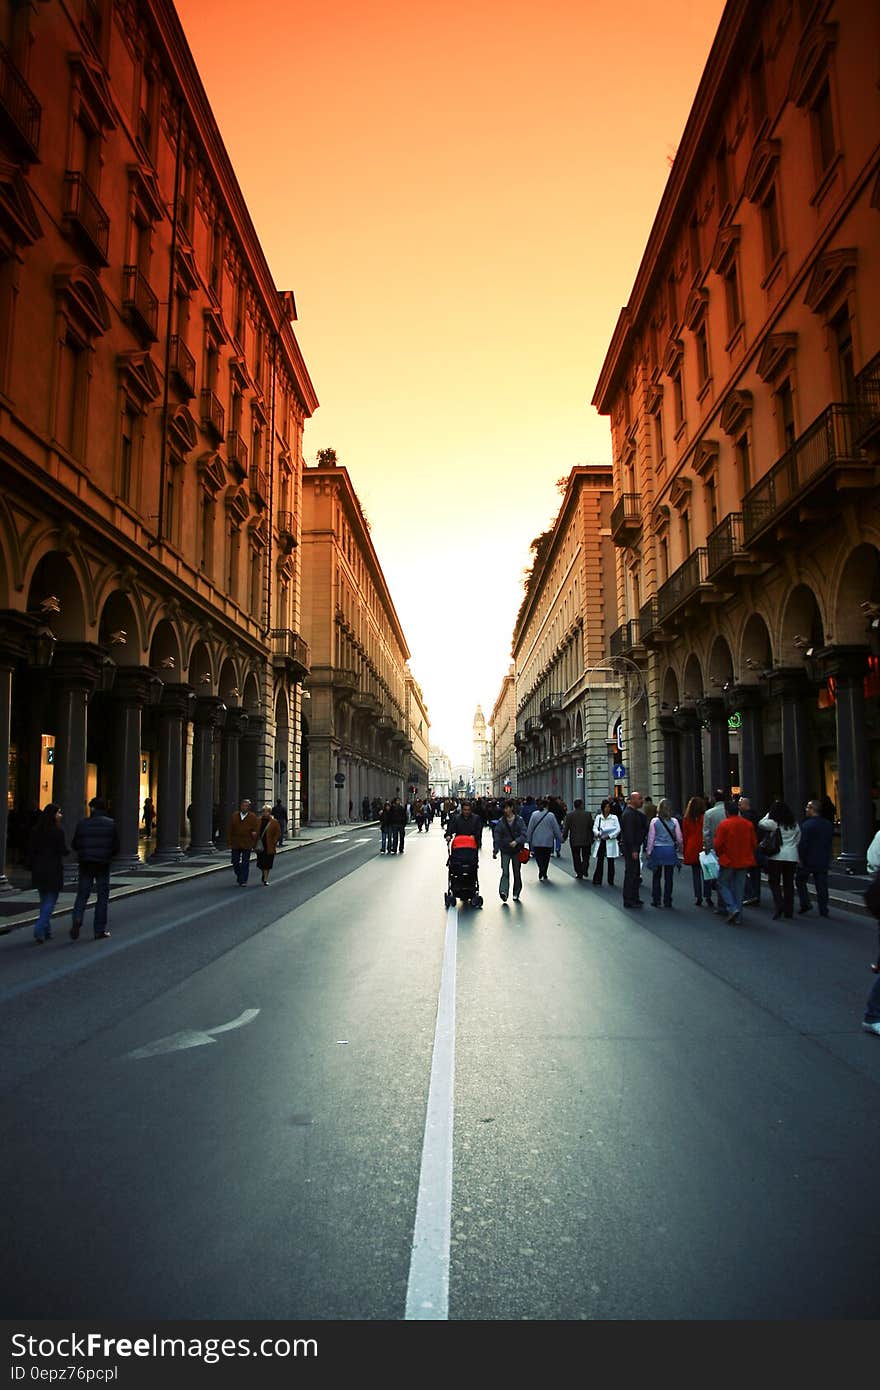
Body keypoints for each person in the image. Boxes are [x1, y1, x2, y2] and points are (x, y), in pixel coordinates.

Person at [70, 796, 120, 940]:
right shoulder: (110, 824)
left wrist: (84, 852)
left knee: (82, 894)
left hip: (86, 863)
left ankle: (78, 918)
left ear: (92, 808)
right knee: (102, 897)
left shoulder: (82, 824)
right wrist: (108, 855)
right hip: (103, 864)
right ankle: (99, 930)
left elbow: (75, 844)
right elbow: (116, 846)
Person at [27, 803, 67, 943]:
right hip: (53, 868)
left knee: (44, 900)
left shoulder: (35, 830)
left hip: (39, 868)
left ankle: (46, 930)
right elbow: (63, 850)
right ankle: (39, 927)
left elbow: (31, 850)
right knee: (51, 900)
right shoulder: (57, 831)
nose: (60, 816)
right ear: (53, 815)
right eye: (58, 813)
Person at [713, 799, 758, 925]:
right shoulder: (748, 824)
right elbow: (754, 843)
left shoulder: (724, 824)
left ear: (727, 812)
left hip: (728, 860)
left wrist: (720, 855)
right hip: (743, 859)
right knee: (739, 888)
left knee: (722, 883)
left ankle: (732, 908)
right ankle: (738, 915)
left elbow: (718, 844)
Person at [758, 799, 801, 920]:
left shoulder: (773, 823)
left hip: (777, 855)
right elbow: (798, 838)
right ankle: (789, 910)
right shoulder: (794, 823)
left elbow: (761, 823)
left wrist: (768, 814)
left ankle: (779, 904)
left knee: (774, 882)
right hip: (792, 856)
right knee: (789, 883)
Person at [796, 799, 833, 918]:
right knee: (822, 885)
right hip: (822, 858)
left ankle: (805, 902)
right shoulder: (827, 824)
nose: (806, 809)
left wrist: (800, 858)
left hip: (808, 859)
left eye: (808, 807)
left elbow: (803, 844)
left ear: (813, 810)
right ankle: (823, 909)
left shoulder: (806, 825)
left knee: (800, 880)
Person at [645, 798, 683, 908]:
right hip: (670, 850)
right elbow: (679, 838)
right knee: (669, 877)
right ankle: (668, 900)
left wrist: (649, 851)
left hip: (658, 850)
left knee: (656, 876)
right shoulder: (674, 821)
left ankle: (656, 899)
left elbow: (651, 837)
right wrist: (680, 848)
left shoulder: (654, 821)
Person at [492, 800, 528, 903]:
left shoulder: (519, 820)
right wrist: (495, 850)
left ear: (512, 808)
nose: (505, 810)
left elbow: (524, 834)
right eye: (504, 808)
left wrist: (517, 841)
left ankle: (516, 892)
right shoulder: (501, 822)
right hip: (505, 850)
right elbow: (497, 836)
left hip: (516, 850)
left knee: (516, 872)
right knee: (505, 872)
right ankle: (503, 892)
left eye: (507, 808)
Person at [702, 789, 729, 914]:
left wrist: (707, 848)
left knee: (719, 878)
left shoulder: (709, 813)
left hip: (715, 849)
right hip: (730, 848)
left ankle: (722, 905)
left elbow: (706, 833)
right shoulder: (731, 812)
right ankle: (730, 903)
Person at [681, 795, 709, 906]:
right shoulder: (705, 817)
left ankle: (698, 896)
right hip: (702, 846)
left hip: (691, 847)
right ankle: (708, 896)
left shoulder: (687, 819)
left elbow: (685, 835)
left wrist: (684, 849)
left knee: (696, 873)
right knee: (706, 873)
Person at [620, 791, 646, 908]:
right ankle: (629, 898)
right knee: (631, 873)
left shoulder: (633, 813)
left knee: (635, 873)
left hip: (632, 847)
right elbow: (630, 834)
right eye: (640, 798)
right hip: (631, 848)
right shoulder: (629, 814)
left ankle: (634, 897)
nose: (642, 801)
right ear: (632, 800)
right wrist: (634, 849)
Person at [526, 799, 563, 881]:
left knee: (538, 857)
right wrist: (560, 838)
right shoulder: (551, 815)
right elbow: (556, 829)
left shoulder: (534, 814)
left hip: (537, 840)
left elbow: (530, 828)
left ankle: (541, 869)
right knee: (546, 858)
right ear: (547, 806)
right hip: (548, 841)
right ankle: (544, 871)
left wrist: (528, 838)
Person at [228, 797, 260, 886]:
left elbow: (256, 830)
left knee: (245, 862)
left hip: (247, 842)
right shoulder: (234, 816)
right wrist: (229, 842)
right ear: (240, 806)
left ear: (248, 807)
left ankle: (243, 880)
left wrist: (254, 838)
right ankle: (240, 875)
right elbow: (230, 829)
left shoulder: (252, 817)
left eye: (246, 806)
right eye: (243, 805)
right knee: (235, 861)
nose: (244, 807)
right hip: (236, 842)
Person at [738, 795, 761, 906]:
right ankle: (756, 894)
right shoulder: (756, 815)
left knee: (743, 871)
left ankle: (750, 894)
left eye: (740, 804)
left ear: (746, 805)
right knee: (755, 873)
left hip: (747, 848)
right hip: (755, 847)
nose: (739, 806)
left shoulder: (745, 818)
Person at [561, 799, 593, 879]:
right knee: (586, 856)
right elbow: (591, 826)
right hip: (586, 839)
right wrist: (592, 838)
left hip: (574, 839)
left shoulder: (569, 815)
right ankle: (584, 868)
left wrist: (564, 837)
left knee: (576, 857)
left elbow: (566, 828)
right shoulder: (588, 814)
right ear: (581, 805)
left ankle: (579, 872)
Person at [591, 799, 620, 885]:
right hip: (601, 840)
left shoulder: (614, 818)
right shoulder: (599, 817)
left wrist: (610, 836)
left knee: (611, 861)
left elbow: (618, 829)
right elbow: (595, 828)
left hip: (610, 841)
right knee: (600, 860)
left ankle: (611, 880)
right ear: (603, 808)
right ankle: (597, 879)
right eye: (606, 807)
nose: (607, 809)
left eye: (608, 807)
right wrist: (598, 834)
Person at [255, 805, 281, 885]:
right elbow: (255, 830)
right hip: (260, 845)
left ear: (270, 812)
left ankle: (265, 879)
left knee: (268, 863)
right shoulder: (258, 820)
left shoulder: (274, 822)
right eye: (263, 811)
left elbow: (278, 833)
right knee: (261, 863)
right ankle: (263, 873)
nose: (265, 813)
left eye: (266, 811)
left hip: (269, 846)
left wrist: (274, 841)